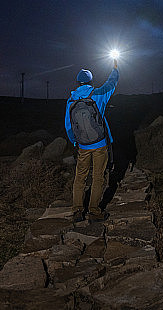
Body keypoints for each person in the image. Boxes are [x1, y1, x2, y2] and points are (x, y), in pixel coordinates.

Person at [65, 59, 119, 222]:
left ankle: (77, 211)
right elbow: (111, 84)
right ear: (91, 81)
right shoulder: (97, 94)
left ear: (78, 82)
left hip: (83, 145)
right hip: (100, 144)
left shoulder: (71, 101)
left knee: (80, 177)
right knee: (98, 177)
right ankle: (94, 211)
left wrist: (76, 141)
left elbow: (69, 126)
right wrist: (115, 69)